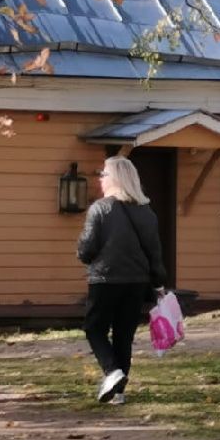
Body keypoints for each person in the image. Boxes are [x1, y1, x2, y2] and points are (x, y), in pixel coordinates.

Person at [76, 155, 167, 405]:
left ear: (115, 178)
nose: (100, 178)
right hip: (136, 281)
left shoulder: (100, 209)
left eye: (104, 174)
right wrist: (159, 283)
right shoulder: (146, 212)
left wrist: (84, 254)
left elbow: (86, 248)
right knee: (123, 334)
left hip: (104, 279)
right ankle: (119, 392)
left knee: (94, 328)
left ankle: (111, 371)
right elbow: (154, 252)